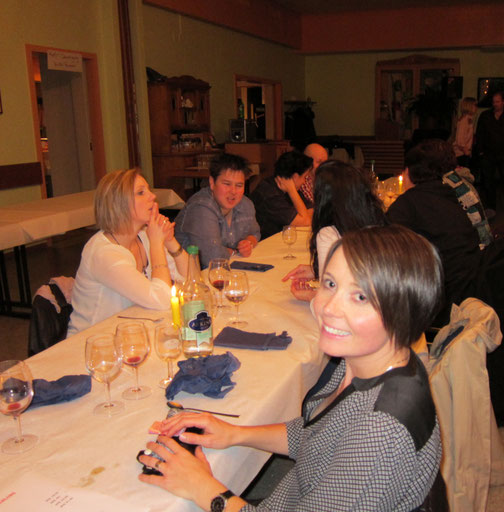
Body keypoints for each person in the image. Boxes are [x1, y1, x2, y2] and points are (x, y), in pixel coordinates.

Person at [138, 225, 444, 512]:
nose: (328, 307)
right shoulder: (364, 360)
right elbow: (315, 435)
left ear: (404, 311)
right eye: (330, 284)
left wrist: (202, 487)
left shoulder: (381, 431)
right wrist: (234, 433)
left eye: (361, 296)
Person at [67, 169, 188, 336]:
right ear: (119, 204)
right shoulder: (104, 253)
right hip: (92, 342)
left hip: (129, 333)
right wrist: (156, 243)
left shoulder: (143, 236)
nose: (152, 196)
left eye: (148, 190)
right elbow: (162, 300)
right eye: (141, 193)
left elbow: (190, 278)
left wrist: (170, 241)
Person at [387, 139, 482, 326]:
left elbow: (381, 249)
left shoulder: (408, 203)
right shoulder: (449, 195)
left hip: (441, 300)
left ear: (408, 172)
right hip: (469, 288)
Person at [282, 160, 387, 301]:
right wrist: (318, 271)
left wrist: (310, 296)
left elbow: (332, 299)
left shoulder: (328, 233)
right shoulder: (374, 221)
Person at [174, 153, 260, 268]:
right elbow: (212, 257)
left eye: (239, 185)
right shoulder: (201, 207)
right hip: (190, 273)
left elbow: (255, 233)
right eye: (227, 184)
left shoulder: (245, 204)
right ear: (212, 182)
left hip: (226, 269)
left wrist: (249, 242)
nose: (233, 191)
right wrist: (235, 252)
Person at [474, 91, 504, 218]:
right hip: (488, 153)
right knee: (488, 182)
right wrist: (480, 151)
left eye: (498, 101)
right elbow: (480, 133)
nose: (495, 104)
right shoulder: (485, 115)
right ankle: (491, 208)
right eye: (494, 102)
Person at [250, 150, 313, 239]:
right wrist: (292, 191)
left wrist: (292, 191)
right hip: (266, 243)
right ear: (294, 176)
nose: (304, 182)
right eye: (304, 177)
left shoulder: (290, 188)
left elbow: (312, 213)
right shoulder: (269, 194)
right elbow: (306, 222)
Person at [452, 97, 478, 168]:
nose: (476, 107)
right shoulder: (464, 121)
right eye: (475, 105)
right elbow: (460, 139)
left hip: (463, 153)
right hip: (460, 154)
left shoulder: (468, 120)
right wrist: (466, 151)